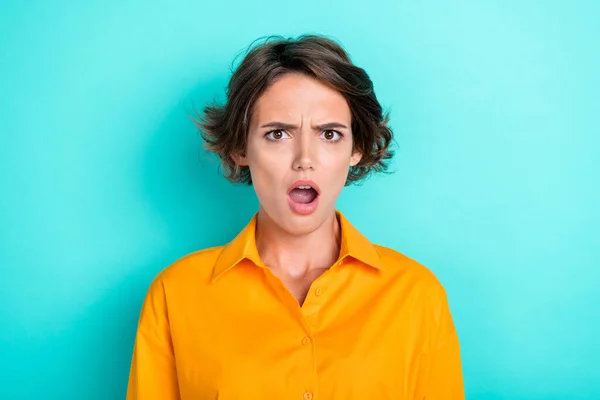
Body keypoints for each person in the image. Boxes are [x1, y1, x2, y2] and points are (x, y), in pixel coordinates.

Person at [126, 34, 465, 400]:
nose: (305, 158)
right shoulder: (176, 295)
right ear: (241, 148)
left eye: (330, 134)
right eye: (277, 134)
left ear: (357, 149)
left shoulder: (416, 295)